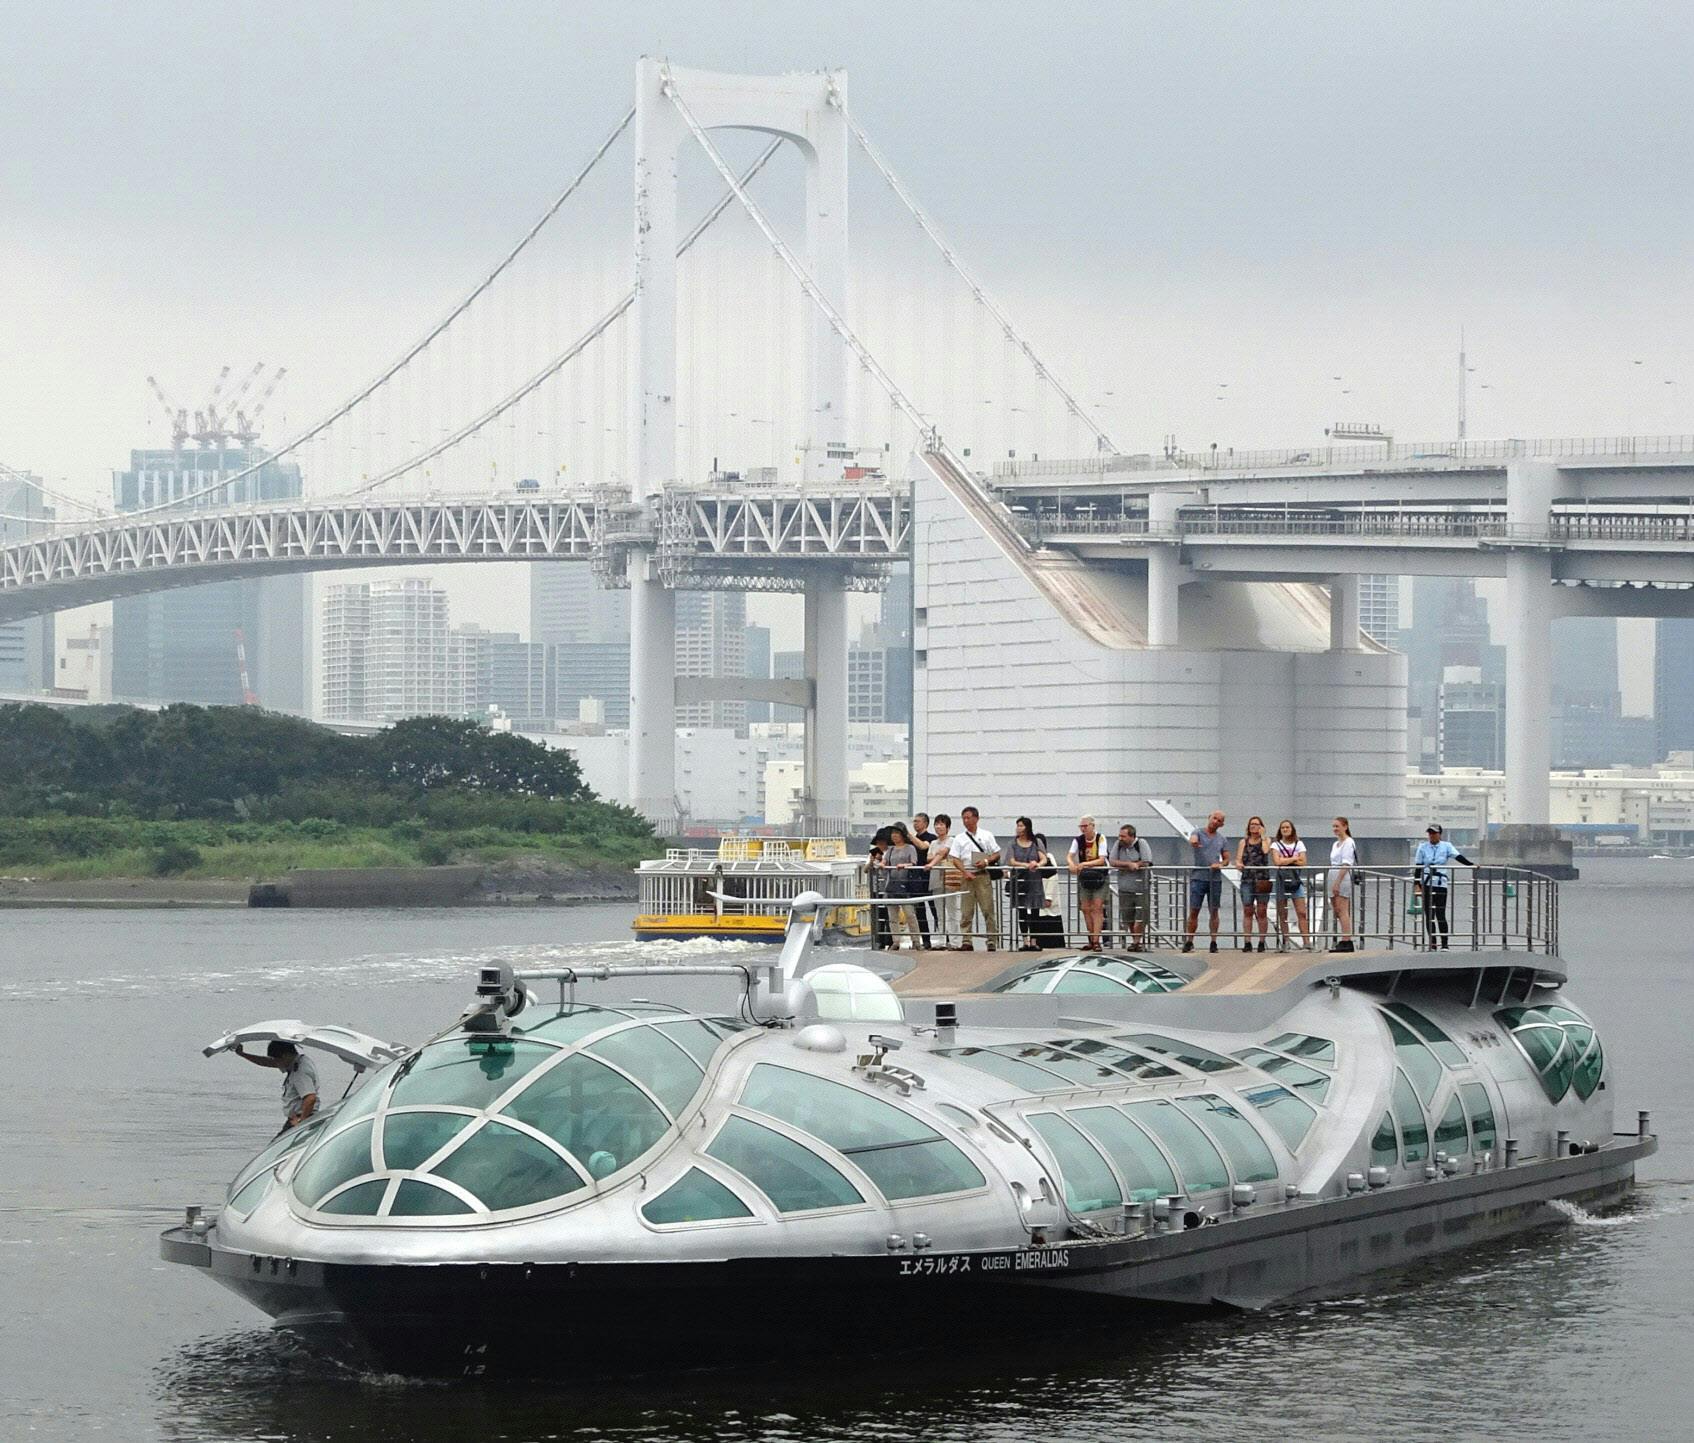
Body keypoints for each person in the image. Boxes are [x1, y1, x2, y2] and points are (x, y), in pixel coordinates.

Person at [234, 1040, 320, 1133]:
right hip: (302, 1117)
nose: (276, 1063)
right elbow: (267, 1062)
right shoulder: (300, 1060)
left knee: (276, 1146)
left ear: (285, 1055)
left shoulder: (299, 1071)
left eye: (277, 1059)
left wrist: (301, 1123)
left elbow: (310, 1098)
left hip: (302, 1118)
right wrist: (243, 1054)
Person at [949, 806, 1002, 950]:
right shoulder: (959, 838)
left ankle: (991, 940)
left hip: (982, 874)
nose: (966, 821)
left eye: (969, 817)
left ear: (976, 818)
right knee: (966, 911)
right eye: (964, 818)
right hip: (967, 876)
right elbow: (955, 858)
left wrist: (986, 861)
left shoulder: (986, 835)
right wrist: (965, 872)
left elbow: (996, 853)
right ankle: (966, 940)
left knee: (988, 909)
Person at [1413, 823, 1473, 950]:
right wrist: (1417, 885)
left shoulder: (1447, 846)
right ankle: (1432, 942)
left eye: (1434, 833)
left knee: (1441, 914)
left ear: (1439, 834)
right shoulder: (1423, 847)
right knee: (1429, 914)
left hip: (1440, 883)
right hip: (1427, 883)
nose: (1431, 836)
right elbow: (1418, 867)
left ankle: (1445, 943)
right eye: (1430, 833)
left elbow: (1458, 857)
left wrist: (1471, 864)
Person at [1183, 811, 1231, 954]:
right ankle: (1189, 941)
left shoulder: (1222, 839)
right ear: (1209, 817)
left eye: (1219, 820)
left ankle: (1213, 941)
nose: (1215, 821)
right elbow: (1192, 838)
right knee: (1194, 910)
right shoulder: (1197, 832)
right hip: (1198, 877)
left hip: (1214, 878)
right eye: (1214, 818)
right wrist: (1193, 842)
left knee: (1214, 911)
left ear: (1222, 824)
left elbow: (1227, 859)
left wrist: (1220, 864)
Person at [1067, 815, 1111, 951]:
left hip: (1099, 876)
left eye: (1086, 826)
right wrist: (1071, 864)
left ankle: (1097, 940)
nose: (1083, 829)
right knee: (1085, 907)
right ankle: (1091, 938)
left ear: (1093, 826)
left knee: (1097, 907)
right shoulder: (1078, 840)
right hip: (1085, 878)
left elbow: (1101, 859)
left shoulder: (1100, 838)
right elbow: (1070, 855)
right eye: (1081, 826)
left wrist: (1084, 864)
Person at [878, 823, 925, 949]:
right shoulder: (890, 850)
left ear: (902, 835)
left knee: (910, 914)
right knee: (892, 916)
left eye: (897, 833)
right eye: (893, 833)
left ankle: (916, 941)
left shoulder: (910, 848)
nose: (894, 836)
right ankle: (895, 941)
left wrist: (905, 865)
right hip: (892, 884)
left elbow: (914, 863)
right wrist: (882, 864)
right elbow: (884, 861)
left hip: (906, 885)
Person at [1007, 817, 1050, 951]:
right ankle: (1025, 940)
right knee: (1022, 911)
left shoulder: (1036, 842)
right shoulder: (1013, 843)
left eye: (1021, 826)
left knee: (1036, 910)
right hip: (1019, 879)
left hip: (1034, 878)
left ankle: (1034, 941)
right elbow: (1011, 861)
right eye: (1017, 826)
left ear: (1027, 827)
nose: (1018, 828)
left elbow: (1044, 858)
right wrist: (1025, 865)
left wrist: (1036, 864)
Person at [1269, 819, 1311, 950]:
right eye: (1283, 828)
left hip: (1295, 880)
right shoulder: (1276, 845)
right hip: (1281, 880)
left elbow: (1303, 862)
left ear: (1292, 829)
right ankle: (1285, 941)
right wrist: (1293, 858)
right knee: (1282, 913)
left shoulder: (1299, 844)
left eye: (1287, 827)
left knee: (1302, 912)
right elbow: (1276, 862)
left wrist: (1284, 860)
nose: (1285, 830)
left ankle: (1307, 942)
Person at [1109, 823, 1152, 949]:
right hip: (1124, 887)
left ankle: (1137, 941)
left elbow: (1146, 861)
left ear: (1132, 836)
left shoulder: (1141, 844)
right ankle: (1135, 940)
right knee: (1127, 916)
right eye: (1119, 836)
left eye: (1123, 836)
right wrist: (1128, 864)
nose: (1120, 838)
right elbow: (1112, 861)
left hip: (1140, 887)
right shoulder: (1118, 845)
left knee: (1141, 915)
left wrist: (1137, 865)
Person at [1237, 815, 1272, 952]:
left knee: (1262, 910)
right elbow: (1239, 859)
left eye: (1257, 824)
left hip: (1262, 879)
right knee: (1247, 909)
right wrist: (1239, 864)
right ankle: (1247, 942)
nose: (1254, 826)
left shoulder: (1266, 840)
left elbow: (1265, 851)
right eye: (1252, 824)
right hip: (1247, 879)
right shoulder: (1243, 842)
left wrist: (1263, 837)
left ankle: (1262, 941)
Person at [927, 813, 961, 947]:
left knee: (952, 911)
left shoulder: (952, 840)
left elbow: (943, 853)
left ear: (947, 827)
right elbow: (929, 858)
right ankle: (941, 941)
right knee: (939, 912)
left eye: (941, 824)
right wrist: (938, 855)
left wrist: (937, 856)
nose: (938, 827)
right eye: (936, 824)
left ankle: (955, 941)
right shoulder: (933, 842)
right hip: (936, 878)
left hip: (950, 878)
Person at [1329, 816, 1358, 952]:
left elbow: (1346, 863)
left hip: (1342, 875)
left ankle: (1347, 940)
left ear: (1345, 826)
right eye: (1334, 827)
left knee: (1343, 908)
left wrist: (1337, 882)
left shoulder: (1348, 842)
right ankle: (1343, 937)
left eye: (1337, 826)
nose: (1335, 829)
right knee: (1336, 909)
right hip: (1333, 872)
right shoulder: (1336, 844)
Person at [910, 812, 938, 945]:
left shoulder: (931, 837)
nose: (915, 824)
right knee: (920, 912)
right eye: (914, 821)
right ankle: (926, 940)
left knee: (935, 909)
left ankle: (947, 937)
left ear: (925, 823)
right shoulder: (912, 840)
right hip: (916, 880)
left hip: (930, 878)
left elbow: (923, 846)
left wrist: (908, 835)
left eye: (918, 821)